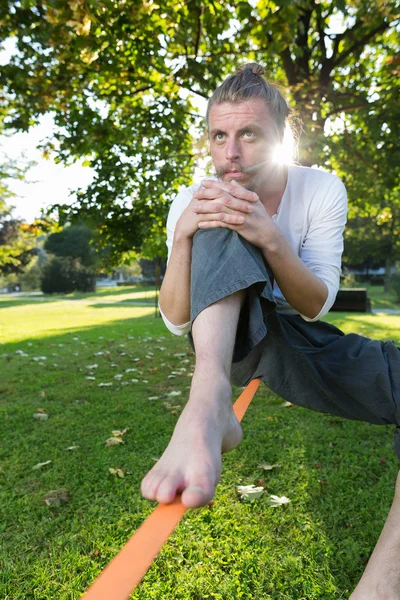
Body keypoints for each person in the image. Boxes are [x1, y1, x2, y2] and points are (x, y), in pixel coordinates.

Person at [141, 63, 400, 599]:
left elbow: (314, 304)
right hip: (225, 337)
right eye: (219, 135)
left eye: (249, 134)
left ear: (282, 138)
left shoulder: (322, 188)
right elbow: (173, 317)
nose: (230, 152)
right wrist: (186, 237)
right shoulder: (196, 196)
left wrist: (270, 236)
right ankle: (208, 400)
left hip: (294, 338)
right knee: (217, 213)